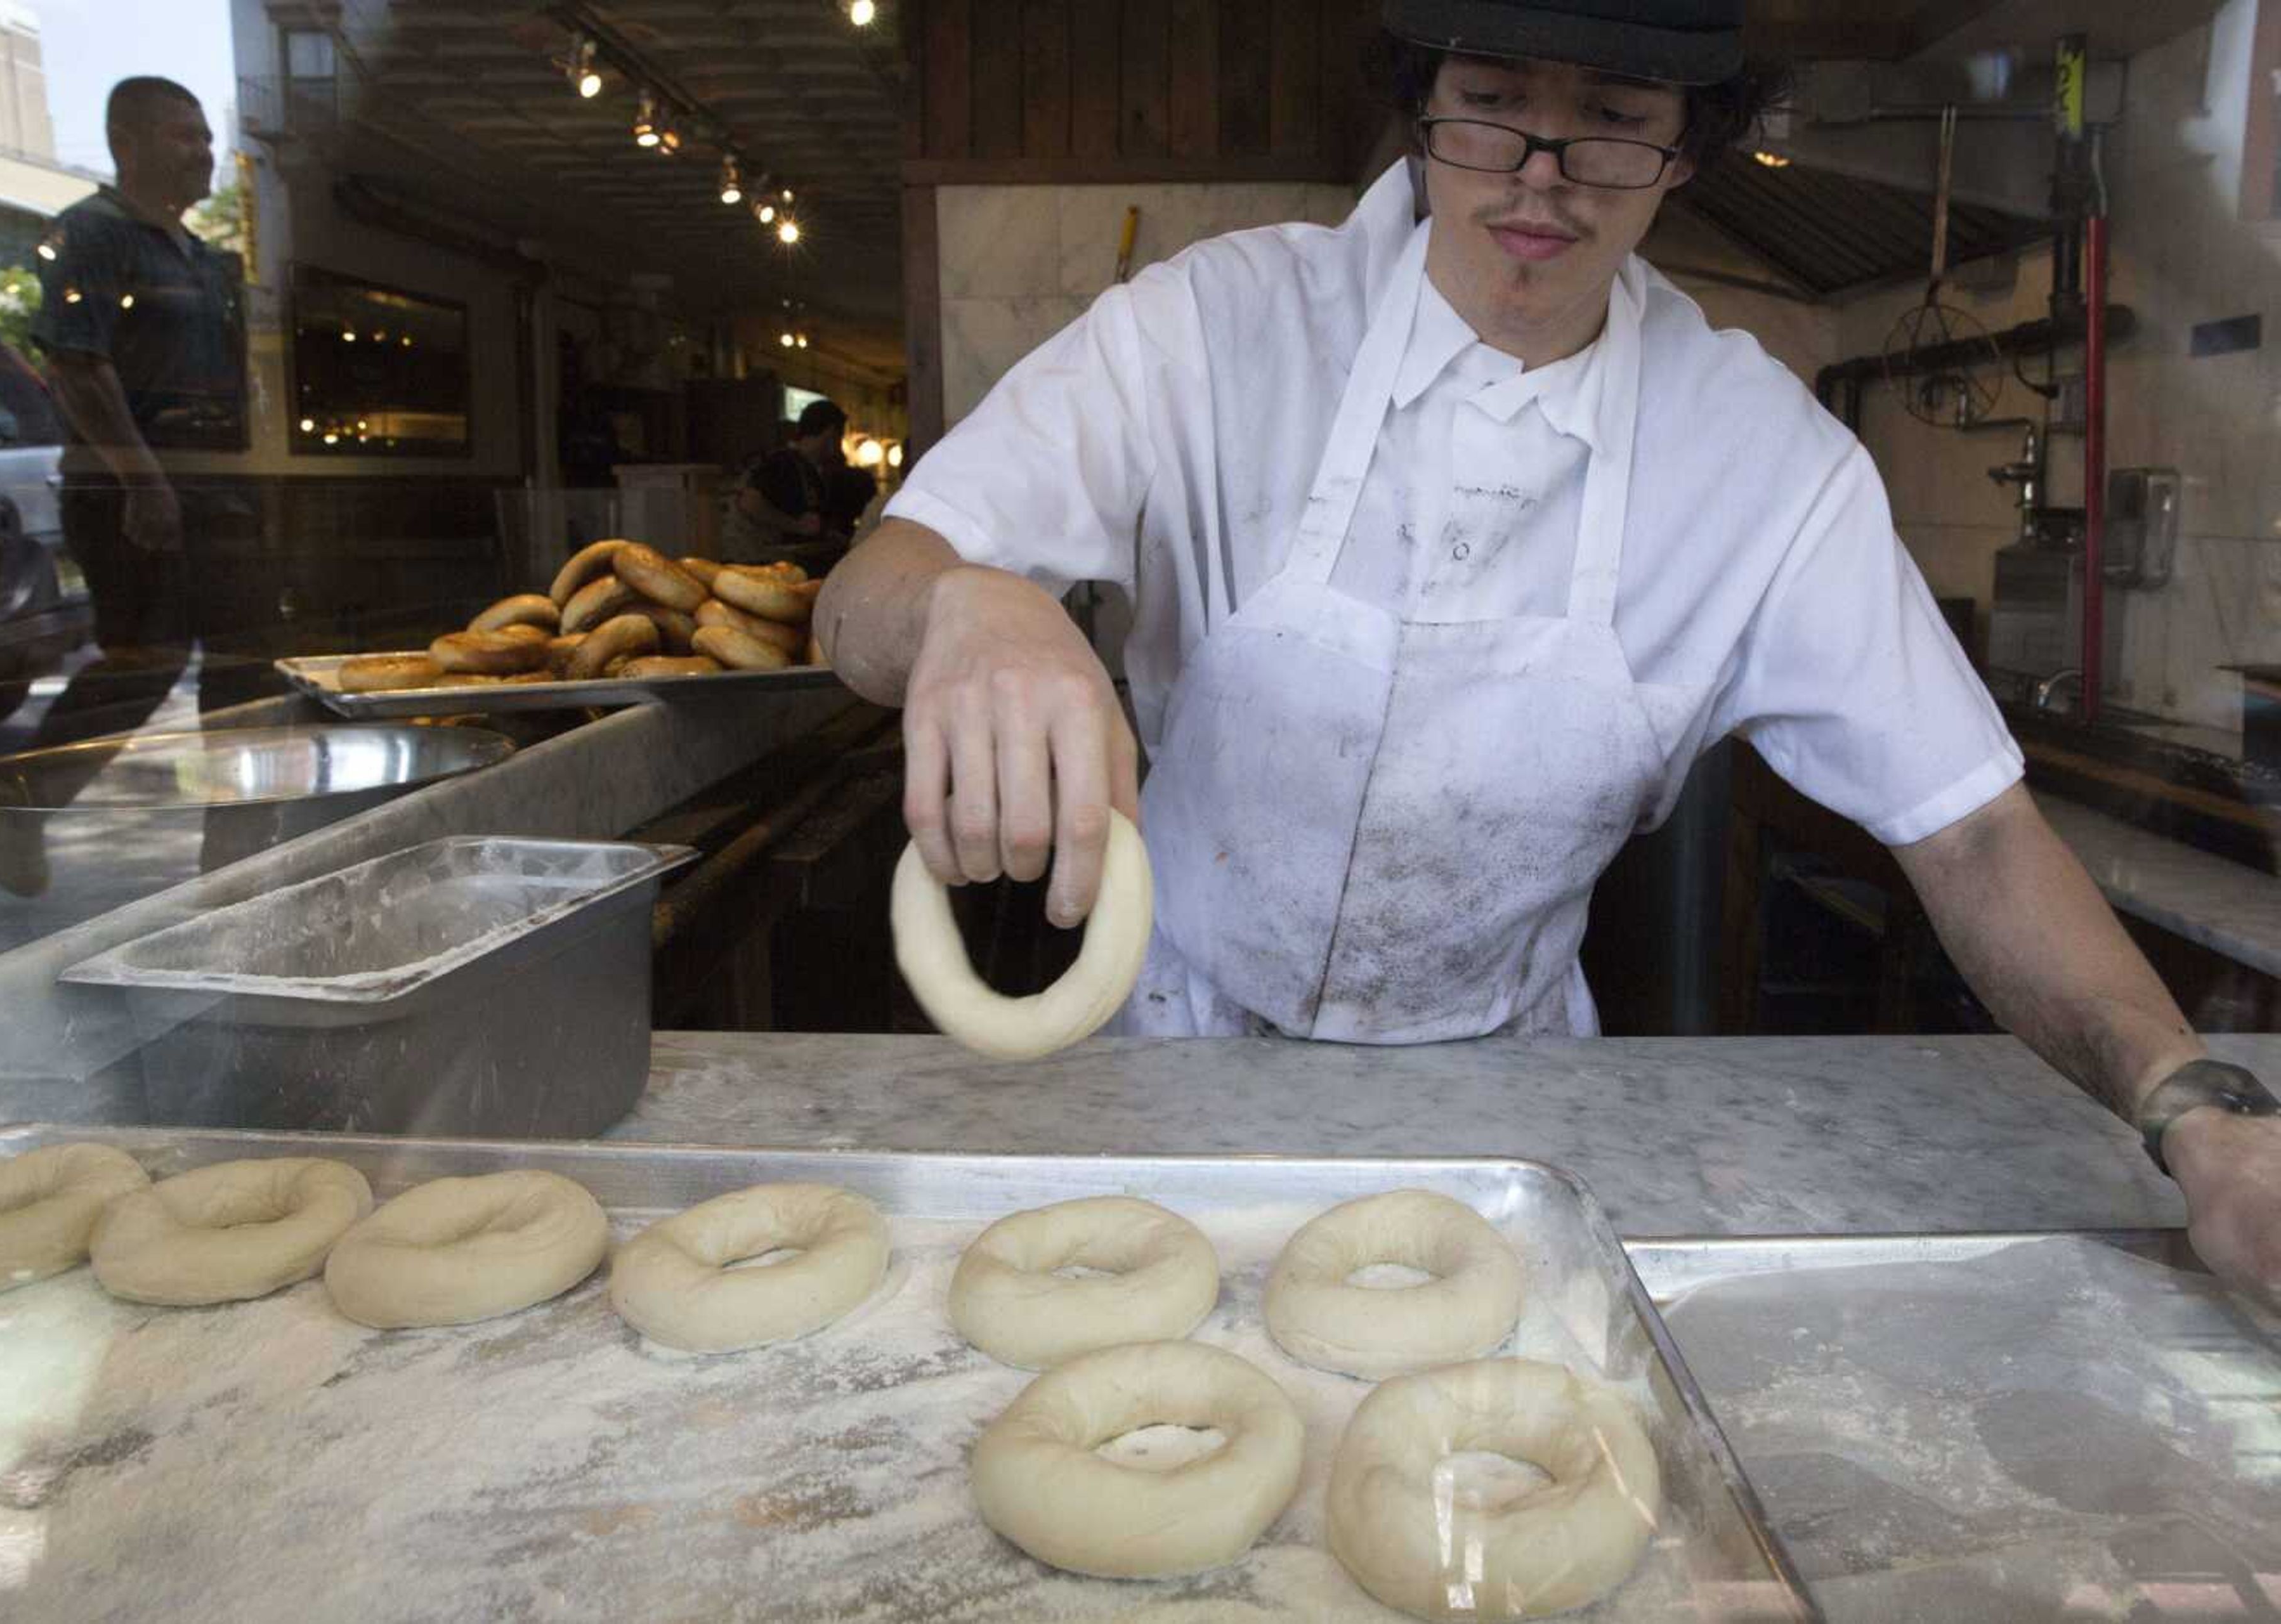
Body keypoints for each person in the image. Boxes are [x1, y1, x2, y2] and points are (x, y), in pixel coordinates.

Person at [818, 0, 2279, 1306]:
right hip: (1168, 1068)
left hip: (1514, 1119)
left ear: (1686, 149)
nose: (1538, 173)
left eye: (1610, 125)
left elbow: (1972, 834)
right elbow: (862, 597)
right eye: (1494, 102)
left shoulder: (1760, 463)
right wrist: (967, 603)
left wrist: (2186, 1098)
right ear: (1422, 98)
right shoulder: (1213, 328)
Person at [29, 75, 253, 751]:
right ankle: (25, 794)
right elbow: (78, 365)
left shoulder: (200, 257)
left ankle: (239, 833)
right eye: (184, 136)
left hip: (213, 486)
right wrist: (143, 481)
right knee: (143, 664)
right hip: (137, 489)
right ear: (123, 142)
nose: (204, 152)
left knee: (240, 663)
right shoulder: (95, 234)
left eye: (207, 136)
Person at [721, 398, 846, 568]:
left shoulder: (808, 469)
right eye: (840, 437)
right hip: (759, 563)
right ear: (831, 434)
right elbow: (749, 502)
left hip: (775, 563)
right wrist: (797, 526)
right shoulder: (782, 462)